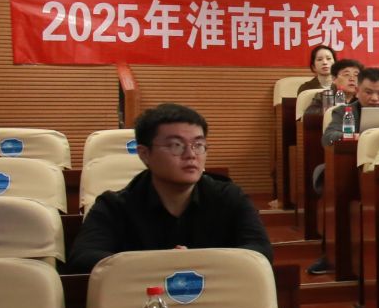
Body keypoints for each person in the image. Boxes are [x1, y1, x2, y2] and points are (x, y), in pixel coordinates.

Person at [68, 103, 273, 273]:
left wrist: (199, 261)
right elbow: (84, 257)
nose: (191, 155)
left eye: (198, 145)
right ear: (144, 154)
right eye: (176, 145)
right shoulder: (114, 206)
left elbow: (260, 251)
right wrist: (163, 263)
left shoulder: (229, 197)